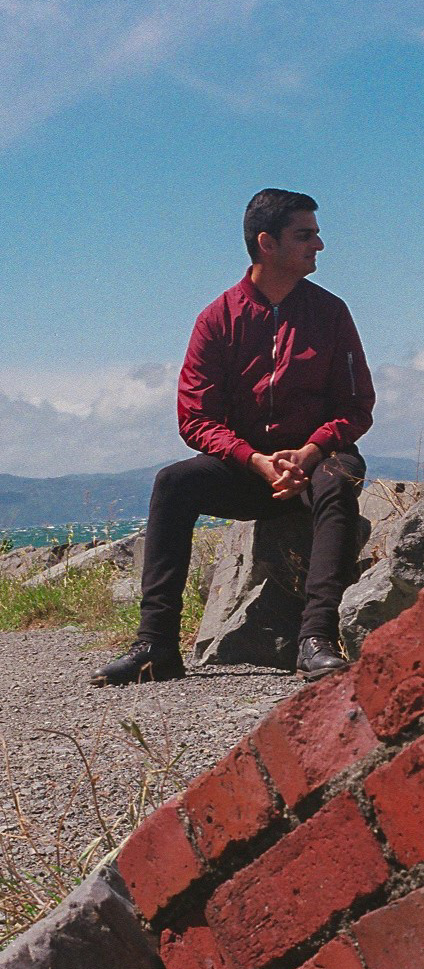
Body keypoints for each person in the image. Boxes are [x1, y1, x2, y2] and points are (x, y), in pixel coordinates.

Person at [91, 188, 375, 686]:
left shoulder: (331, 313)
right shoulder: (217, 318)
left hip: (316, 463)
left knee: (338, 480)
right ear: (267, 242)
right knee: (173, 483)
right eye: (305, 235)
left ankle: (316, 639)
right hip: (248, 471)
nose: (319, 245)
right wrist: (254, 460)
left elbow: (356, 407)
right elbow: (195, 418)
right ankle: (156, 646)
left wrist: (310, 452)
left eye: (316, 234)